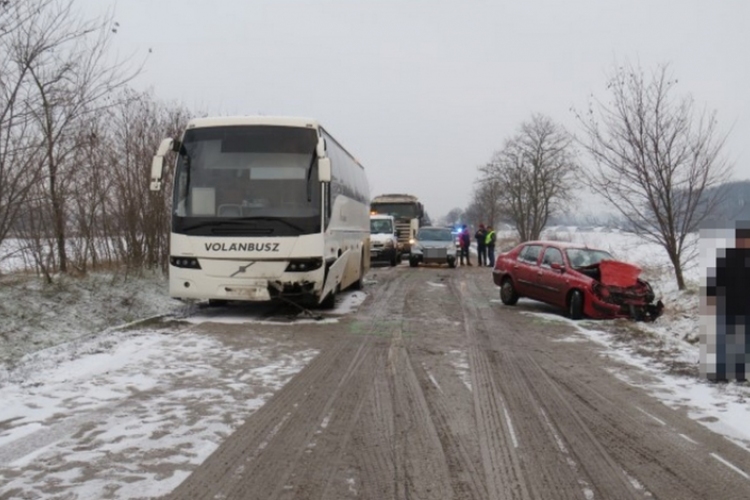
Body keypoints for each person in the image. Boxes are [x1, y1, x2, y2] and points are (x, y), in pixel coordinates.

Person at [703, 225, 750, 382]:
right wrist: (710, 298)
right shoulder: (727, 258)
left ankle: (740, 373)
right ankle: (720, 373)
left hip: (746, 308)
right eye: (742, 240)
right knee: (723, 342)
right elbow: (715, 281)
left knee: (744, 343)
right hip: (727, 306)